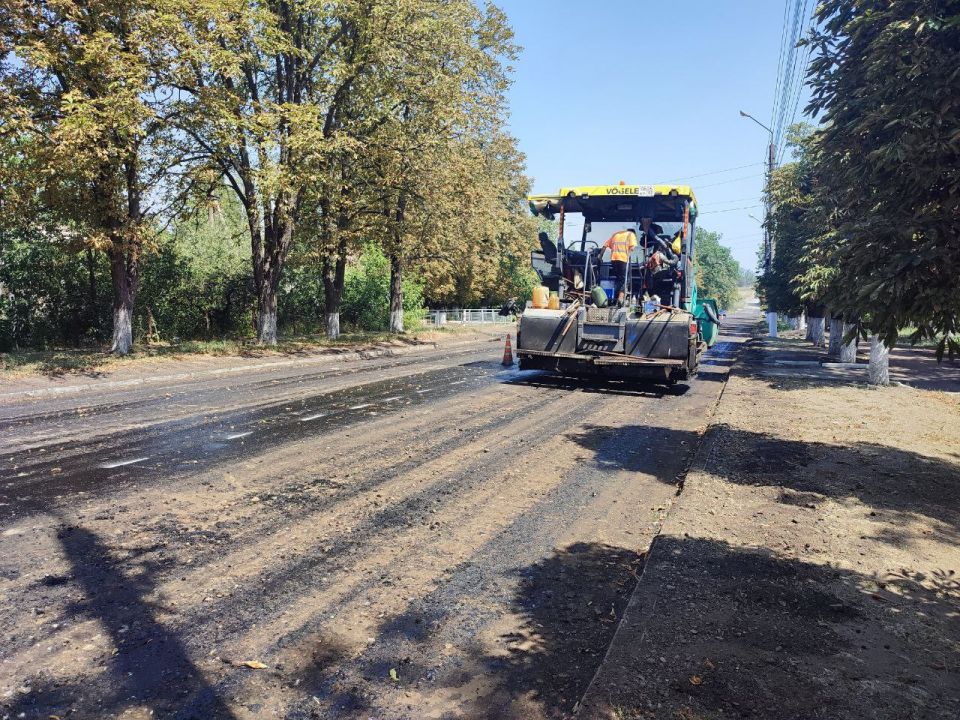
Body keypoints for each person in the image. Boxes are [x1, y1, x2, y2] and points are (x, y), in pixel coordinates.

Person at [603, 228, 637, 306]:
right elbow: (632, 248)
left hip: (613, 260)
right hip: (623, 259)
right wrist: (628, 255)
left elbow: (605, 245)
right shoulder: (631, 235)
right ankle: (621, 298)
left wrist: (599, 257)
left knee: (619, 279)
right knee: (626, 279)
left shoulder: (616, 234)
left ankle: (614, 299)